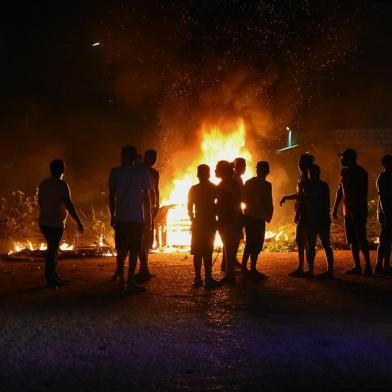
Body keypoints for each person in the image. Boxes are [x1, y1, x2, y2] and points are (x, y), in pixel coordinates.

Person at [108, 145, 151, 293]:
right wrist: (148, 217)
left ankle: (123, 281)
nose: (122, 157)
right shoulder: (142, 173)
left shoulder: (116, 172)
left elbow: (111, 196)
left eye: (123, 154)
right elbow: (147, 198)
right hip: (135, 218)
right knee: (131, 250)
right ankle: (129, 281)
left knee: (124, 250)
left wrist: (112, 215)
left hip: (123, 217)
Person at [38, 159, 84, 287]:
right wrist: (78, 221)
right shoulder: (62, 185)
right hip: (55, 223)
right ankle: (51, 278)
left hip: (44, 222)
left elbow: (40, 201)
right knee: (53, 250)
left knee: (52, 249)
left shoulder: (44, 183)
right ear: (62, 170)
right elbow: (69, 204)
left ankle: (53, 276)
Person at [332, 148, 372, 275]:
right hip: (348, 211)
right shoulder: (344, 172)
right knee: (352, 240)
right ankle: (358, 266)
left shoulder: (361, 172)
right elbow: (340, 190)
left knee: (360, 238)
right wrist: (335, 208)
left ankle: (368, 267)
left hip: (358, 211)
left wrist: (356, 209)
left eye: (343, 157)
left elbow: (362, 193)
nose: (341, 159)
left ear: (349, 158)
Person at [280, 153, 314, 277]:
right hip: (302, 213)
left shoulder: (308, 178)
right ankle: (303, 268)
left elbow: (304, 198)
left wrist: (299, 213)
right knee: (301, 241)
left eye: (301, 162)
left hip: (305, 214)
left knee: (305, 241)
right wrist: (286, 197)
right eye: (299, 162)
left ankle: (308, 269)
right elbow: (299, 195)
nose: (299, 164)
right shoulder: (301, 177)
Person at [187, 164, 220, 288]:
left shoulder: (194, 189)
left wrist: (193, 220)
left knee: (197, 251)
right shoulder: (214, 188)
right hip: (210, 222)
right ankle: (208, 278)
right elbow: (219, 204)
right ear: (208, 174)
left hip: (198, 222)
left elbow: (189, 207)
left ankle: (198, 278)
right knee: (207, 251)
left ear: (199, 175)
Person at [242, 161, 273, 279]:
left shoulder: (248, 182)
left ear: (257, 170)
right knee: (256, 244)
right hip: (259, 218)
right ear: (267, 172)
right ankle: (252, 269)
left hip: (249, 217)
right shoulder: (267, 185)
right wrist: (268, 215)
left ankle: (245, 268)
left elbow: (243, 199)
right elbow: (268, 202)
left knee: (249, 243)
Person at [301, 165, 334, 278]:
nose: (311, 175)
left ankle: (328, 270)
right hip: (314, 219)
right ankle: (311, 269)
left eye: (312, 172)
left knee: (324, 244)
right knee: (312, 245)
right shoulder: (309, 185)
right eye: (310, 173)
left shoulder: (321, 186)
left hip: (321, 219)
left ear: (318, 173)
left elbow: (325, 204)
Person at [215, 160, 242, 284]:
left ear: (223, 170)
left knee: (229, 246)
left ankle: (229, 275)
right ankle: (229, 273)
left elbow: (229, 202)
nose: (215, 170)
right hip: (230, 218)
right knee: (229, 246)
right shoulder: (229, 182)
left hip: (229, 219)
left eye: (217, 168)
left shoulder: (227, 184)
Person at [136, 149, 160, 282]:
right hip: (140, 208)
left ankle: (144, 269)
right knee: (141, 238)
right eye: (151, 157)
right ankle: (144, 268)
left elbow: (156, 190)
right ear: (146, 158)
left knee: (148, 238)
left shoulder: (155, 173)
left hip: (150, 208)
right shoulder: (139, 171)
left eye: (155, 158)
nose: (154, 160)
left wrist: (156, 205)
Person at [221, 157, 246, 272]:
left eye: (244, 166)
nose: (244, 168)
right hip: (233, 212)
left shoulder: (237, 179)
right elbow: (237, 196)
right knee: (233, 239)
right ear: (235, 167)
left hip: (235, 211)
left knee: (233, 239)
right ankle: (229, 264)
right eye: (241, 166)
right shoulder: (234, 179)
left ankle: (228, 263)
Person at [374, 154, 392, 274]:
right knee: (385, 239)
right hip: (386, 212)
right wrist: (385, 214)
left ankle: (384, 265)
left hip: (387, 211)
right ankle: (379, 265)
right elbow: (383, 198)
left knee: (387, 239)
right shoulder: (383, 178)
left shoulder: (386, 177)